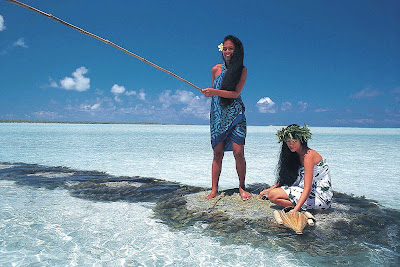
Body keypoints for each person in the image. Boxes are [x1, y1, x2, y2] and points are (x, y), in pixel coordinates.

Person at [201, 35, 251, 201]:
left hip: (236, 114)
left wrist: (214, 92)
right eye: (225, 48)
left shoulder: (241, 70)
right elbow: (216, 96)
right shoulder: (215, 69)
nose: (227, 51)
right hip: (218, 116)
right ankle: (214, 189)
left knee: (238, 152)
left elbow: (235, 94)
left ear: (236, 51)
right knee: (217, 153)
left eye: (231, 49)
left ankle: (242, 187)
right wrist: (211, 93)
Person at [259, 124, 333, 211]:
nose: (291, 144)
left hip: (318, 197)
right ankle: (301, 205)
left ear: (301, 140)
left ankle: (299, 206)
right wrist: (270, 188)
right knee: (272, 193)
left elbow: (307, 188)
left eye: (294, 141)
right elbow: (288, 176)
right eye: (288, 141)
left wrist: (295, 210)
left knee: (272, 196)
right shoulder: (295, 154)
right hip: (306, 193)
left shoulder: (308, 156)